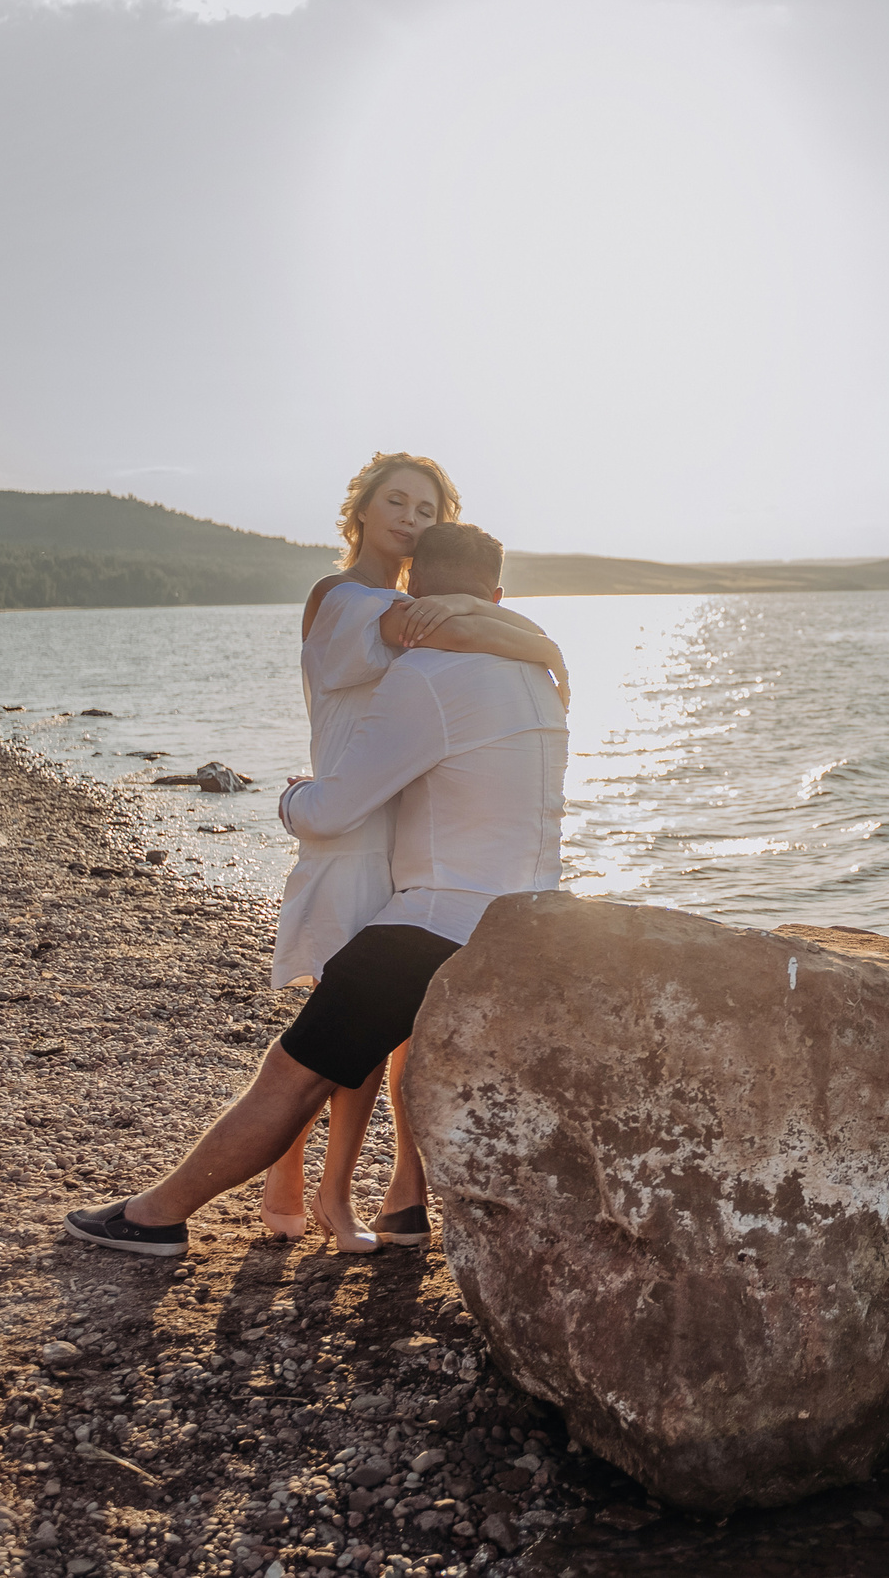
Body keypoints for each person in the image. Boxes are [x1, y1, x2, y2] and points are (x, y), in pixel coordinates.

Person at [64, 521, 569, 1257]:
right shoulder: (540, 679)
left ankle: (156, 1216)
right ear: (494, 597)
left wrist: (291, 796)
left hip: (431, 927)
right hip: (528, 925)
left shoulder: (426, 673)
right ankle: (397, 1209)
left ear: (416, 591)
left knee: (291, 1077)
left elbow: (334, 809)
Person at [260, 453, 567, 1255]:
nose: (407, 516)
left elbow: (458, 633)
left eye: (425, 509)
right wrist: (545, 646)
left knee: (390, 1029)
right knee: (328, 1030)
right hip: (349, 827)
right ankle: (293, 1180)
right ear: (360, 509)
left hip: (400, 824)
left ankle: (370, 1191)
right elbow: (457, 625)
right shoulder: (346, 601)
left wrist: (525, 640)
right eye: (394, 500)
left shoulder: (416, 604)